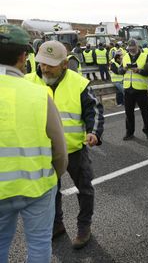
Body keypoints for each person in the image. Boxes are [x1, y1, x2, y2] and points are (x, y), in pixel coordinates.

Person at [24, 40, 104, 250]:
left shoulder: (79, 83)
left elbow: (93, 110)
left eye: (50, 64)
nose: (44, 68)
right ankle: (57, 224)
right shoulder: (28, 82)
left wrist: (93, 132)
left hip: (75, 149)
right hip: (44, 151)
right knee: (51, 192)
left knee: (85, 188)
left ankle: (84, 226)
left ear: (64, 64)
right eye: (42, 63)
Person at [0, 24, 68, 263]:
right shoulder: (39, 94)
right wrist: (53, 177)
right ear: (23, 56)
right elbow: (60, 150)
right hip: (37, 187)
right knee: (39, 245)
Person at [119, 39, 148, 140]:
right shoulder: (124, 57)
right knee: (128, 112)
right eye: (130, 47)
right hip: (128, 89)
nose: (131, 49)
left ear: (137, 46)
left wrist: (139, 71)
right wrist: (123, 69)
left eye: (133, 47)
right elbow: (119, 70)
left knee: (144, 112)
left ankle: (147, 131)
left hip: (141, 89)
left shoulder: (145, 56)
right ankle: (129, 132)